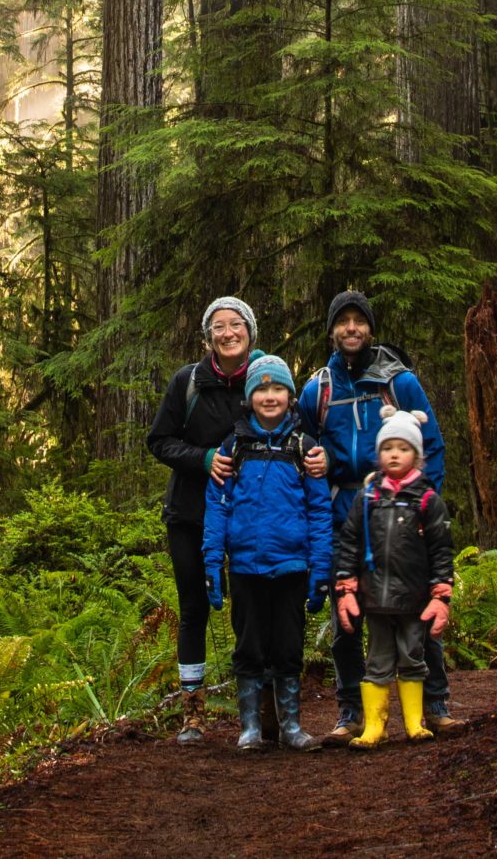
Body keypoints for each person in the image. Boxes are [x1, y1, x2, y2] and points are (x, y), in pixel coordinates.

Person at [146, 295, 327, 742]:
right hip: (192, 512)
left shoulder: (269, 378)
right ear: (207, 336)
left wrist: (320, 458)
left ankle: (267, 717)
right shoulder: (188, 382)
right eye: (219, 326)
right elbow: (159, 441)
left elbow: (300, 436)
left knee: (264, 607)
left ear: (249, 331)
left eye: (236, 325)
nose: (228, 333)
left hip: (258, 520)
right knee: (195, 608)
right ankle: (193, 713)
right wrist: (204, 458)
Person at [297, 288, 456, 738]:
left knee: (417, 606)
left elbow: (434, 447)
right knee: (344, 612)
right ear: (331, 330)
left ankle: (435, 703)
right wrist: (318, 458)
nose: (351, 329)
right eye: (342, 321)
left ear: (370, 328)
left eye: (358, 321)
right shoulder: (317, 390)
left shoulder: (399, 381)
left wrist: (425, 504)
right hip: (343, 508)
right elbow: (306, 447)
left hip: (404, 510)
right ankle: (351, 713)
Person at [203, 354, 332, 751]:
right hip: (245, 567)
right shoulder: (234, 447)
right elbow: (217, 505)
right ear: (249, 396)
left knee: (288, 648)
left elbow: (319, 510)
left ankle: (291, 727)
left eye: (278, 388)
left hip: (292, 566)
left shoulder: (305, 448)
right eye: (261, 388)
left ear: (291, 397)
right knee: (249, 647)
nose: (270, 396)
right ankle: (250, 728)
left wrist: (320, 569)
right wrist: (212, 560)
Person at [331, 409, 455, 746]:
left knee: (414, 657)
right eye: (388, 448)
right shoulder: (368, 498)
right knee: (378, 661)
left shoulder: (428, 500)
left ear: (416, 454)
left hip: (414, 599)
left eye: (403, 448)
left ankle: (415, 722)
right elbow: (350, 543)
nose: (395, 454)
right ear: (379, 453)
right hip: (376, 600)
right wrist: (346, 586)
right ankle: (376, 725)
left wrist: (440, 594)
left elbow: (442, 550)